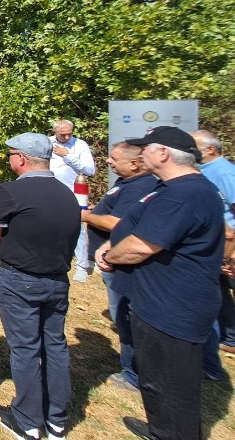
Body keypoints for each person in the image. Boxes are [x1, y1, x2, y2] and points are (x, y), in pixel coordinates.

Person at [95, 126, 223, 440]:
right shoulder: (169, 187)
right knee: (155, 377)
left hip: (173, 306)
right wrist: (110, 244)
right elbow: (135, 227)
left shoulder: (186, 194)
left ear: (163, 152)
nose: (140, 153)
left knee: (173, 384)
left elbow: (142, 245)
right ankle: (161, 429)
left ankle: (174, 433)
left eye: (146, 147)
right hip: (155, 303)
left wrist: (112, 256)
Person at [0, 132, 80, 440]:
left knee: (25, 349)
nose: (9, 159)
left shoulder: (12, 192)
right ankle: (56, 420)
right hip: (57, 281)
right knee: (55, 346)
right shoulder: (67, 193)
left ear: (22, 159)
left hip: (21, 280)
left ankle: (26, 421)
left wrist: (1, 252)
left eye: (10, 154)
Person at [81, 142, 158, 392]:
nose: (109, 162)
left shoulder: (143, 185)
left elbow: (117, 222)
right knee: (122, 315)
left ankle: (134, 374)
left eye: (114, 158)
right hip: (114, 259)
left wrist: (85, 215)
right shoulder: (128, 183)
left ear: (134, 163)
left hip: (121, 261)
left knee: (125, 315)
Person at [191, 130, 235, 360]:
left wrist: (232, 249)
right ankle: (229, 337)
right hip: (214, 243)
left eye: (194, 145)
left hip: (228, 246)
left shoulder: (224, 171)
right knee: (218, 291)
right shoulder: (202, 170)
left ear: (210, 149)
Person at [49, 119, 95, 282]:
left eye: (70, 133)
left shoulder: (80, 145)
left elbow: (90, 170)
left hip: (75, 192)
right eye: (63, 134)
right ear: (55, 132)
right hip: (51, 190)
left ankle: (82, 265)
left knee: (78, 227)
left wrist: (68, 156)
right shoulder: (48, 143)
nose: (67, 137)